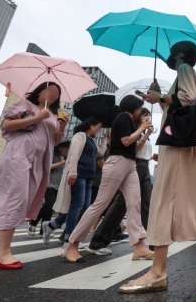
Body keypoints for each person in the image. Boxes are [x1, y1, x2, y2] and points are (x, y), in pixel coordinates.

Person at [124, 41, 196, 294]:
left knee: (163, 200)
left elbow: (188, 99)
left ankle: (159, 271)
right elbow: (177, 106)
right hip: (181, 143)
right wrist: (160, 99)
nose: (169, 58)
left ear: (179, 55)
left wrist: (162, 97)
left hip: (176, 145)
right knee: (171, 202)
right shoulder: (183, 75)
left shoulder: (185, 70)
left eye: (172, 54)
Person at [0, 81, 68, 268]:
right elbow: (8, 125)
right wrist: (37, 117)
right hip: (18, 156)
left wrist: (60, 128)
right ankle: (3, 254)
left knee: (19, 202)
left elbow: (53, 142)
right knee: (14, 200)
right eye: (50, 90)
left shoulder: (52, 114)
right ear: (39, 92)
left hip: (38, 161)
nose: (52, 95)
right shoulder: (25, 105)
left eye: (56, 93)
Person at [57, 95, 152, 263]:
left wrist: (145, 134)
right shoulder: (123, 117)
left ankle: (138, 245)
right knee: (99, 205)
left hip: (130, 165)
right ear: (134, 107)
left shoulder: (130, 123)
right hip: (117, 162)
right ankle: (71, 245)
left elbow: (134, 148)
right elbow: (125, 141)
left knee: (134, 203)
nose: (141, 112)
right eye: (140, 108)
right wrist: (141, 128)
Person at [86, 107, 156, 255]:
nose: (147, 118)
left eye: (148, 115)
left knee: (146, 205)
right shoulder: (131, 130)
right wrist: (143, 134)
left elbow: (143, 152)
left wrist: (148, 135)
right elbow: (134, 150)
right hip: (132, 165)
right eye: (144, 115)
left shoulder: (145, 132)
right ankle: (98, 241)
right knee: (120, 204)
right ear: (137, 116)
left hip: (144, 167)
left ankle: (152, 242)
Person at [44, 117, 106, 245]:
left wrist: (105, 140)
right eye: (98, 127)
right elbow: (74, 155)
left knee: (84, 208)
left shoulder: (90, 140)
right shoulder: (79, 136)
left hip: (89, 176)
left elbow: (100, 152)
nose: (98, 130)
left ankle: (52, 225)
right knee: (77, 206)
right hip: (79, 174)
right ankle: (69, 238)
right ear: (91, 125)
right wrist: (73, 173)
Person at [27, 140, 69, 236]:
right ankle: (32, 222)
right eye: (66, 148)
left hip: (59, 186)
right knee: (49, 204)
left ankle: (43, 230)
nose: (67, 151)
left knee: (50, 207)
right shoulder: (53, 155)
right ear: (60, 148)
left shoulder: (66, 158)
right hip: (48, 184)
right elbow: (47, 167)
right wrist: (61, 163)